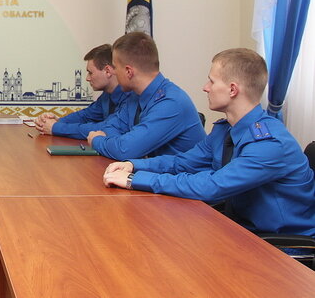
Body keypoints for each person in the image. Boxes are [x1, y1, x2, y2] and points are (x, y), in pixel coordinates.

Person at [103, 48, 315, 237]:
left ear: (232, 90)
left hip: (281, 248)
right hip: (239, 230)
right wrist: (134, 165)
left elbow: (213, 185)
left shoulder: (269, 143)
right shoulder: (225, 130)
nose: (205, 87)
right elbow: (183, 162)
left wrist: (134, 180)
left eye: (212, 81)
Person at [86, 32, 205, 159]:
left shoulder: (171, 102)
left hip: (179, 177)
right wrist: (120, 143)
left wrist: (97, 140)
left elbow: (125, 150)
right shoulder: (135, 96)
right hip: (153, 174)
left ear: (128, 71)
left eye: (115, 67)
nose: (113, 72)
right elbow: (111, 127)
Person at [34, 44, 134, 138]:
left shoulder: (130, 96)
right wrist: (55, 121)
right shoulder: (107, 95)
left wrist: (56, 128)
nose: (87, 78)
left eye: (90, 73)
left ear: (107, 71)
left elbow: (106, 128)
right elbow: (85, 116)